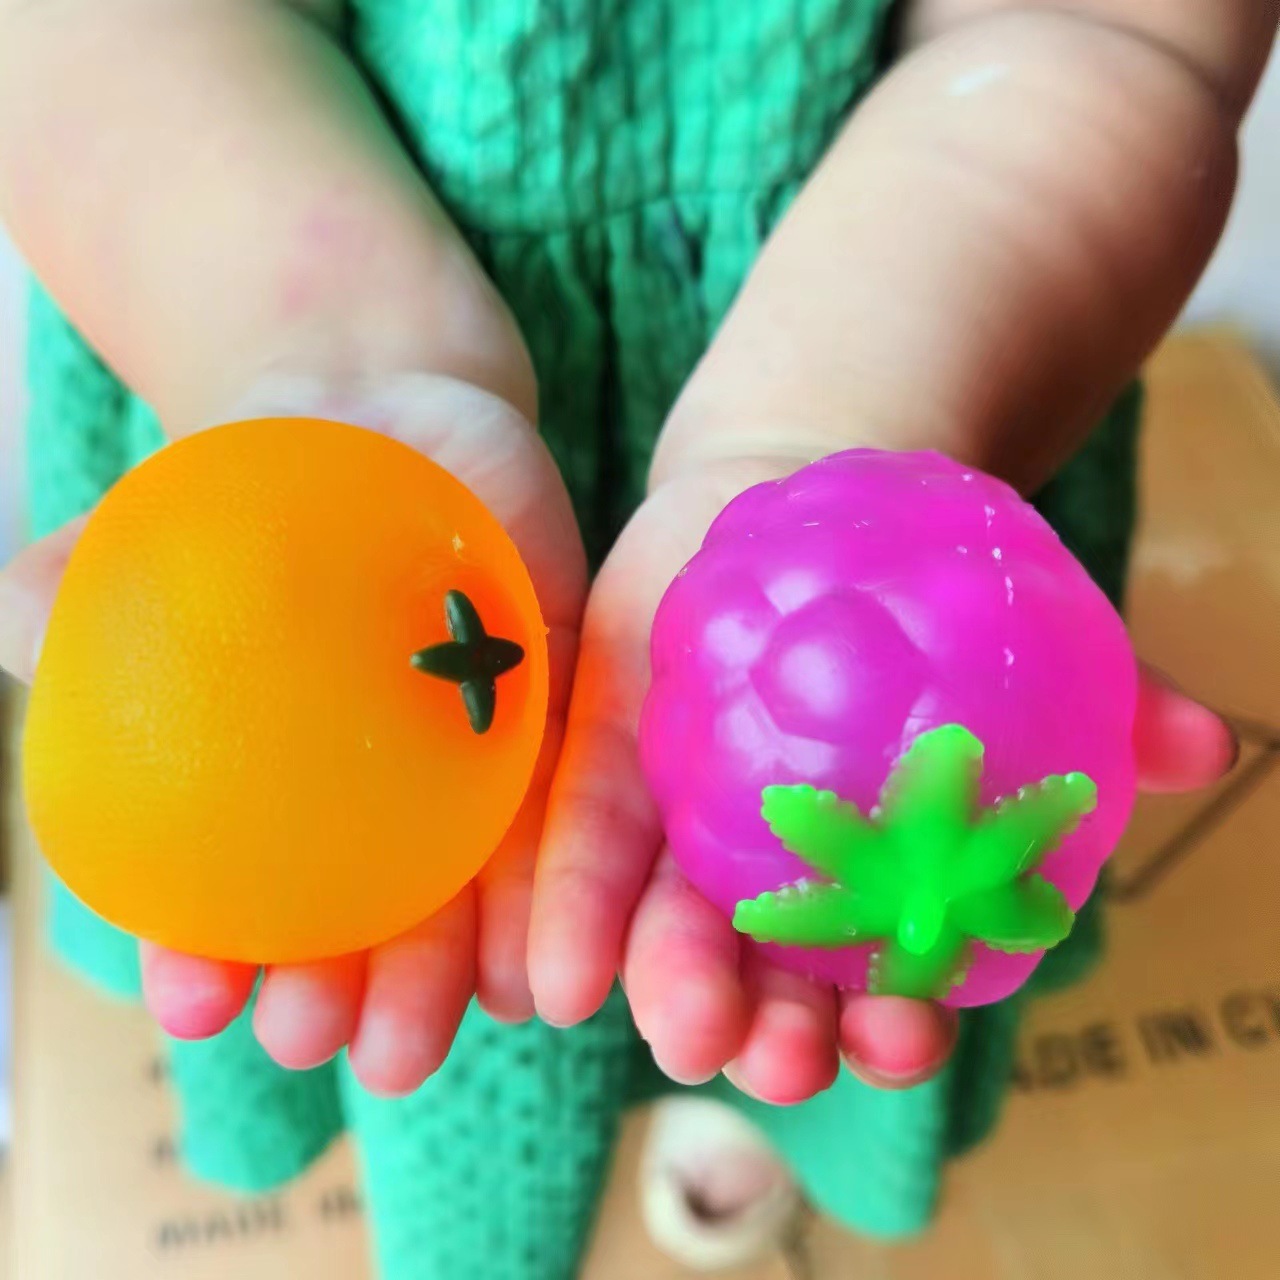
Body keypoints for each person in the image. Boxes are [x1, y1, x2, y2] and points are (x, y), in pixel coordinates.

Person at [0, 0, 1262, 1274]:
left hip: (911, 332)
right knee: (481, 954)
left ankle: (747, 1111)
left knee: (767, 972)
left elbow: (1116, 31)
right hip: (277, 355)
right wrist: (336, 348)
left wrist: (819, 423)